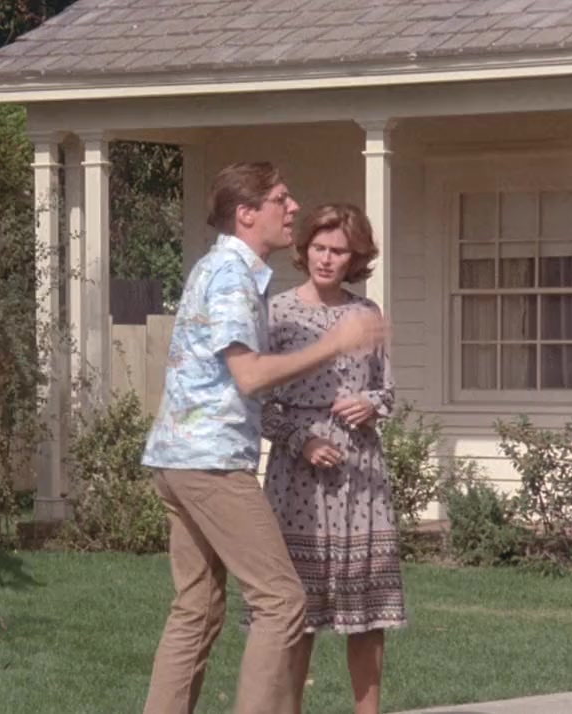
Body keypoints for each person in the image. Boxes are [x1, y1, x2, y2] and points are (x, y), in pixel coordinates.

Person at [140, 162, 387, 714]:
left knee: (198, 609)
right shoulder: (231, 277)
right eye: (281, 199)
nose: (293, 207)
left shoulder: (220, 269)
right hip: (210, 464)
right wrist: (334, 343)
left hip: (178, 460)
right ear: (247, 214)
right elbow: (249, 376)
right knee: (281, 600)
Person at [246, 203, 407, 714]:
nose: (327, 259)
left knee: (368, 614)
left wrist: (370, 404)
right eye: (319, 247)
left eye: (339, 251)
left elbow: (388, 391)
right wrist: (302, 441)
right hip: (298, 478)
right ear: (305, 249)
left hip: (360, 475)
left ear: (355, 257)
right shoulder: (278, 312)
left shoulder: (366, 314)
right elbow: (258, 402)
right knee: (297, 612)